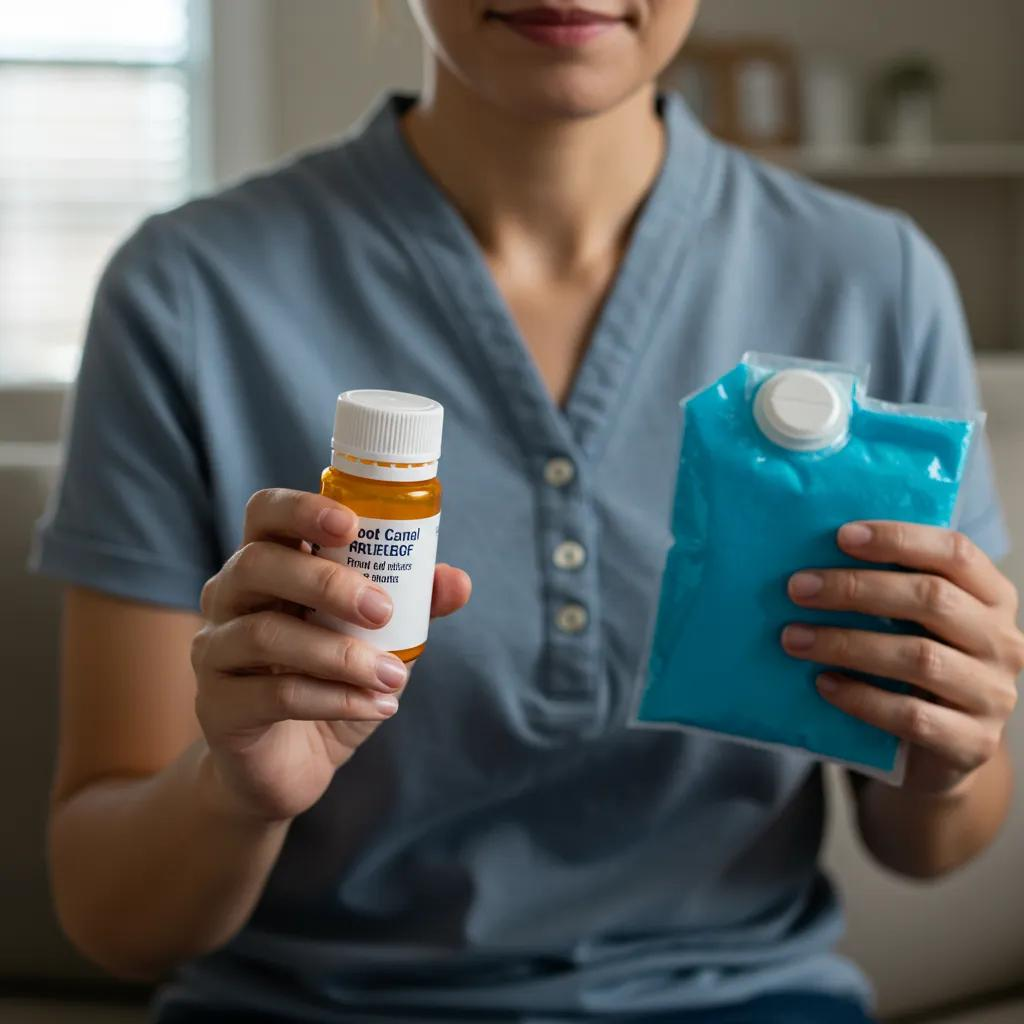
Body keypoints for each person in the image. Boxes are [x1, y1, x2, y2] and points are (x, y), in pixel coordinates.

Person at [33, 2, 1023, 1022]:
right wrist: (233, 793)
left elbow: (931, 844)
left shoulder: (875, 280)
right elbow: (114, 918)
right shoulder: (188, 293)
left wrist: (943, 754)